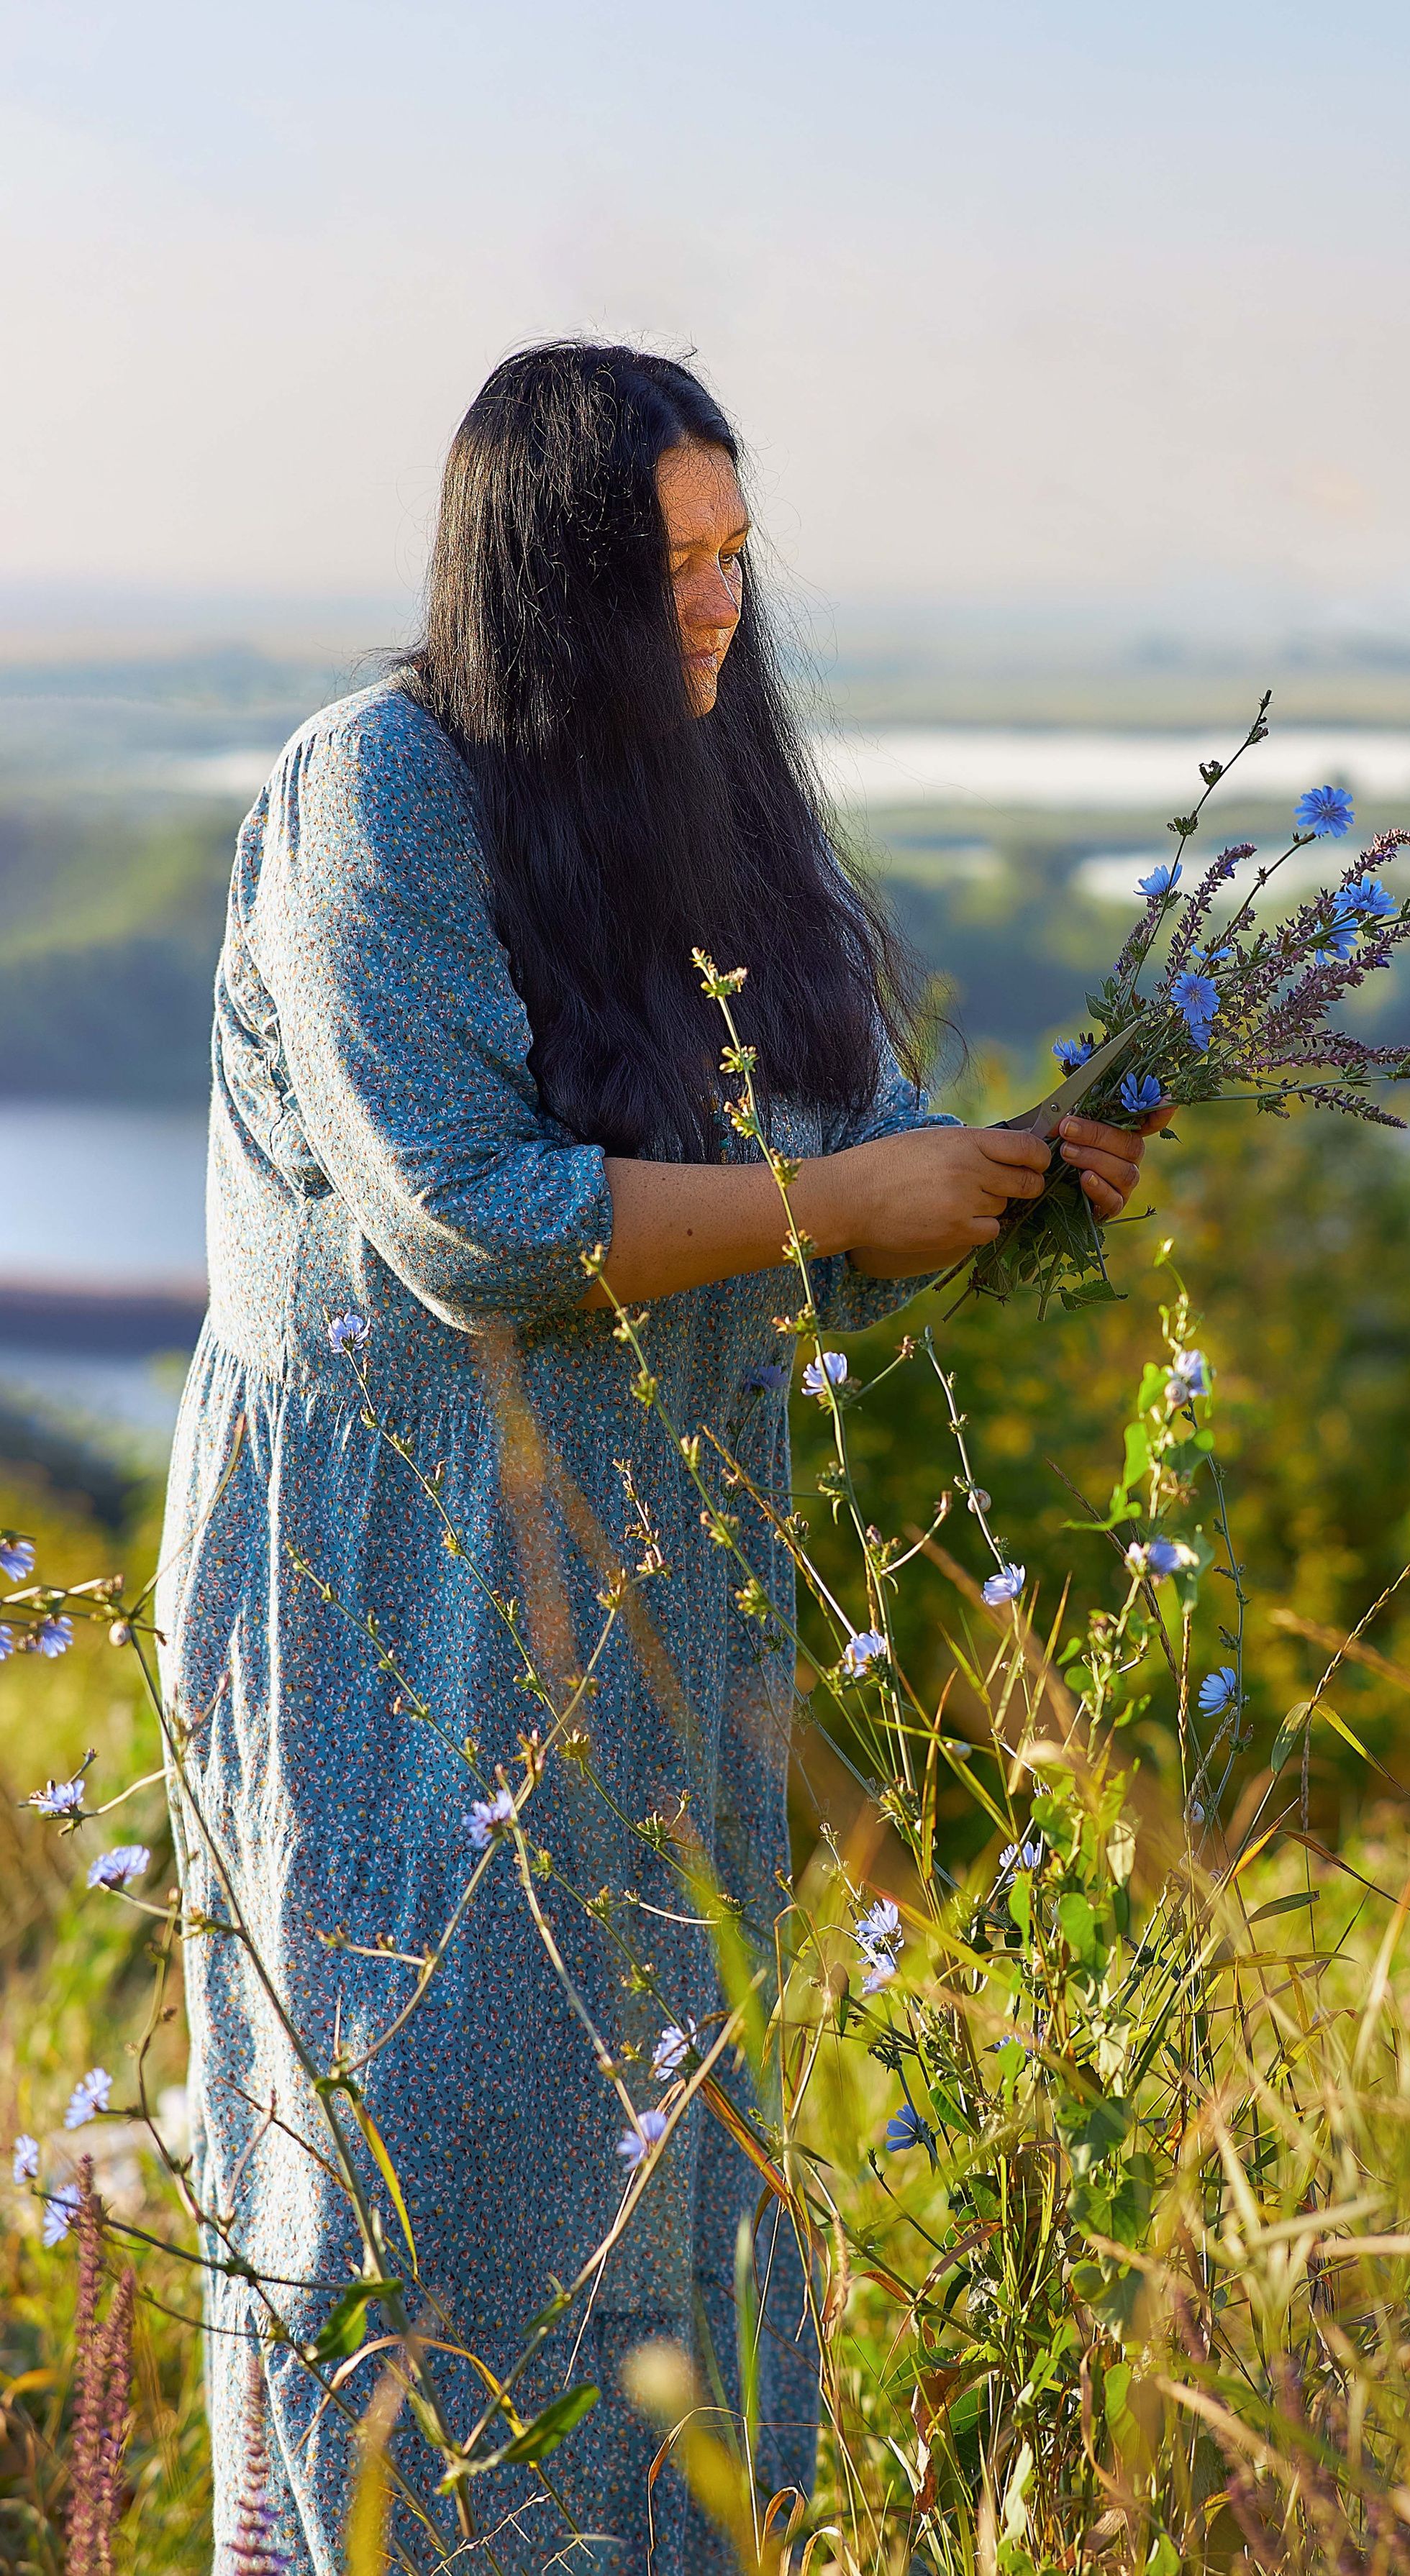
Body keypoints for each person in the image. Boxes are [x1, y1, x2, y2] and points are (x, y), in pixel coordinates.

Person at [156, 339, 1157, 2573]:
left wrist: (996, 1181)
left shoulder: (708, 802)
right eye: (664, 570)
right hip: (393, 1598)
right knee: (414, 2167)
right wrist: (838, 1208)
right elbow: (469, 1224)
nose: (714, 611)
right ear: (542, 587)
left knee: (642, 2162)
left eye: (732, 557)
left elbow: (842, 1176)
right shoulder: (377, 792)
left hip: (643, 1583)